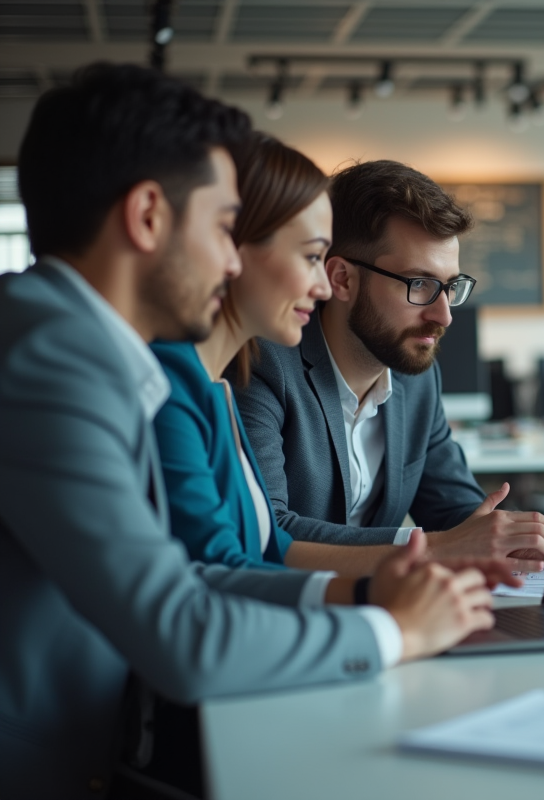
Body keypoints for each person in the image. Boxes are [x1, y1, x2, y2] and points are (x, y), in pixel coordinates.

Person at [0, 64, 511, 800]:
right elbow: (182, 633)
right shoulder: (49, 364)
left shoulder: (91, 354)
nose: (233, 258)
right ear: (147, 217)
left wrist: (369, 595)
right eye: (221, 228)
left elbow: (194, 576)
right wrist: (394, 632)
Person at [235, 160, 544, 572]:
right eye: (420, 284)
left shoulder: (418, 379)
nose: (444, 316)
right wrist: (431, 546)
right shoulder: (263, 365)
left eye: (449, 287)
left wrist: (516, 538)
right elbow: (268, 531)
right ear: (342, 280)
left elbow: (457, 511)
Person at [153, 134, 408, 577]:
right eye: (312, 257)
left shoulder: (217, 389)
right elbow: (217, 575)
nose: (325, 288)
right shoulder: (172, 383)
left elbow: (266, 550)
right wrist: (382, 605)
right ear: (235, 246)